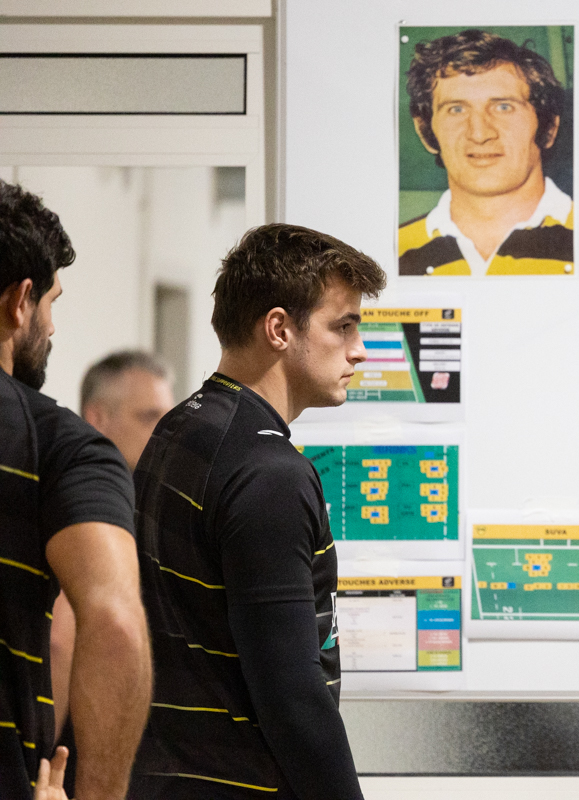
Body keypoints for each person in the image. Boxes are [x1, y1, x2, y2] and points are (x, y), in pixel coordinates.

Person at [130, 223, 386, 799]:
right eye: (342, 326)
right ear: (279, 329)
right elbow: (292, 694)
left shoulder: (181, 426)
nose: (359, 349)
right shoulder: (270, 472)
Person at [0, 179, 153, 800]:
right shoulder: (56, 445)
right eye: (51, 303)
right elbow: (113, 626)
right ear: (20, 301)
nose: (52, 326)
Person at [47, 351, 175, 791]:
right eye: (149, 417)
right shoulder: (85, 499)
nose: (163, 431)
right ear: (97, 417)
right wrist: (38, 769)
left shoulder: (146, 506)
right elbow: (61, 640)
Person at [398, 29, 573, 276]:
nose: (479, 134)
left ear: (549, 128)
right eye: (456, 109)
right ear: (426, 131)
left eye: (503, 107)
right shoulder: (391, 255)